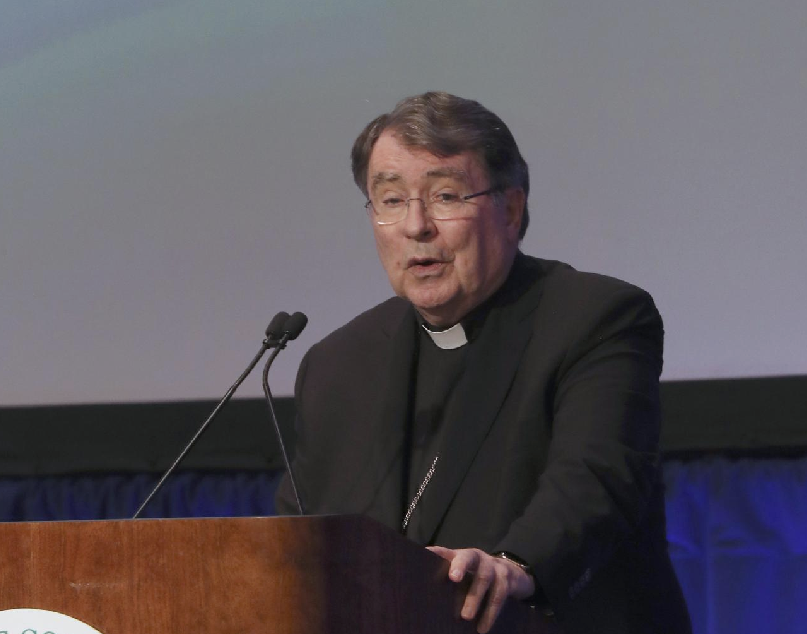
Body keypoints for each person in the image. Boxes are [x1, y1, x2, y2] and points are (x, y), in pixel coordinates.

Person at [276, 92, 691, 634]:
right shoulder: (338, 364)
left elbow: (596, 478)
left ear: (511, 210)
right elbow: (295, 540)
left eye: (445, 195)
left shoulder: (593, 319)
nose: (416, 225)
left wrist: (517, 565)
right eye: (392, 200)